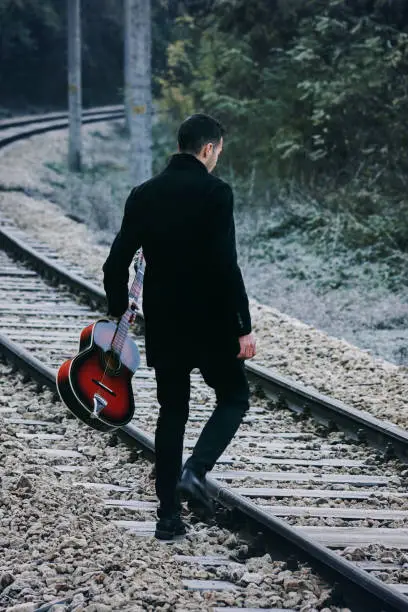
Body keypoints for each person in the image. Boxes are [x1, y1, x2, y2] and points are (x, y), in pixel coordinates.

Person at [102, 113, 256, 540]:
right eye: (219, 151)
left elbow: (115, 262)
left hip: (166, 323)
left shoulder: (144, 194)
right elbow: (226, 264)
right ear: (208, 148)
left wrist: (118, 312)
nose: (217, 159)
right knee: (234, 396)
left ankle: (167, 517)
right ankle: (196, 470)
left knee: (172, 413)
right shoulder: (215, 193)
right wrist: (243, 326)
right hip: (211, 322)